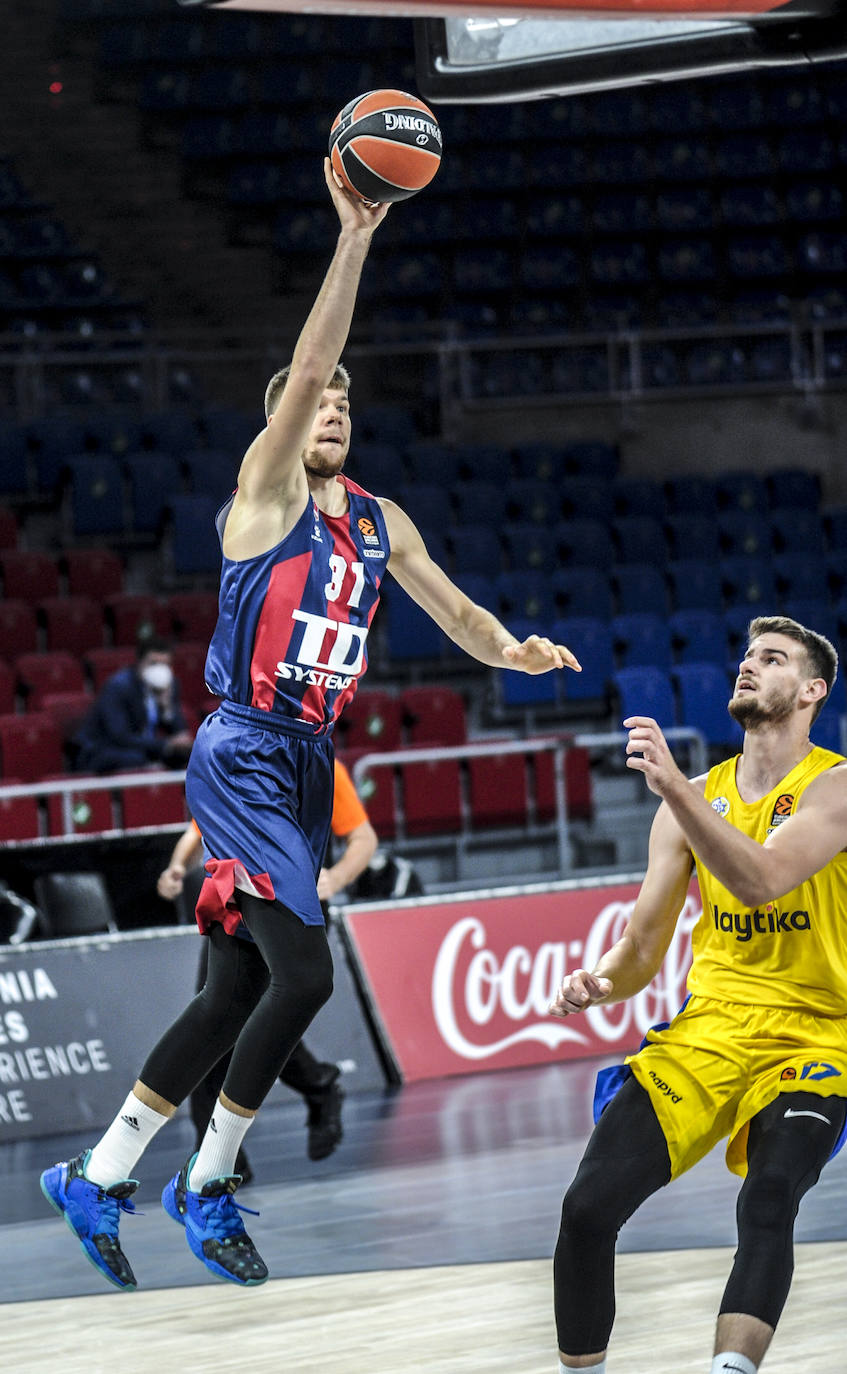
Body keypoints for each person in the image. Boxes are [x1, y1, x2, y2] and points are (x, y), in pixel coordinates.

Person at [40, 157, 580, 1294]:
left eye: (340, 401)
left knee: (234, 992)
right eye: (313, 397)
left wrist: (514, 650)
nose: (327, 407)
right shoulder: (267, 491)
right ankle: (210, 1179)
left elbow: (459, 612)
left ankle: (99, 1172)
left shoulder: (381, 520)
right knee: (309, 981)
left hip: (304, 762)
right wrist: (356, 237)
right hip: (245, 748)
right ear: (287, 418)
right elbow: (311, 363)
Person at [548, 615, 847, 1374]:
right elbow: (644, 947)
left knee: (770, 1195)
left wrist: (674, 787)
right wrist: (599, 981)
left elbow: (760, 881)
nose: (749, 667)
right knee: (585, 1210)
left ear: (811, 690)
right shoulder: (693, 799)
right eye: (747, 657)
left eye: (772, 659)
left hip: (817, 1034)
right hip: (709, 1028)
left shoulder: (836, 786)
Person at [157, 757, 378, 1175]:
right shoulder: (236, 758)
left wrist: (337, 877)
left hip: (294, 912)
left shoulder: (319, 764)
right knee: (219, 1024)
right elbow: (200, 827)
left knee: (249, 1023)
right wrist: (176, 865)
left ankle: (224, 1159)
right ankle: (220, 1163)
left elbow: (363, 838)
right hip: (239, 905)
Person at [73, 633, 194, 774]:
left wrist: (166, 707)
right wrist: (166, 744)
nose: (160, 669)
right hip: (101, 750)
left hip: (140, 748)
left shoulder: (170, 685)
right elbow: (120, 736)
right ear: (140, 663)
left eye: (165, 664)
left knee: (187, 756)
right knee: (137, 759)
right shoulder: (118, 686)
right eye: (154, 663)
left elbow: (179, 732)